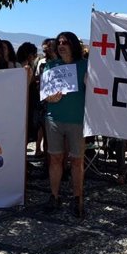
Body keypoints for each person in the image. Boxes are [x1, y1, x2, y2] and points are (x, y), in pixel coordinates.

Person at [42, 32, 87, 218]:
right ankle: (54, 196)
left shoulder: (85, 66)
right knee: (55, 159)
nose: (61, 45)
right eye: (58, 42)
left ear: (73, 45)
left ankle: (78, 198)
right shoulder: (51, 66)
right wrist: (49, 98)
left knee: (77, 161)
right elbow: (44, 94)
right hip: (54, 119)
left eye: (65, 42)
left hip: (77, 120)